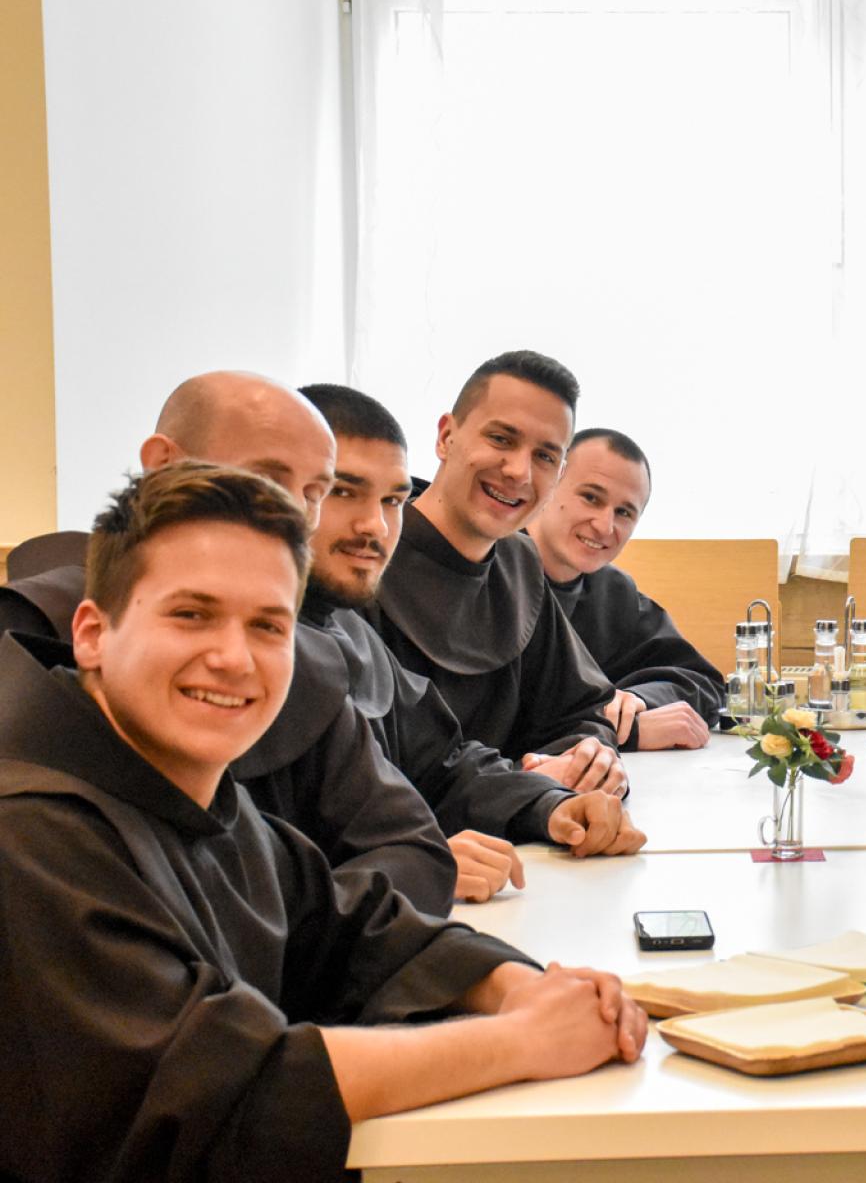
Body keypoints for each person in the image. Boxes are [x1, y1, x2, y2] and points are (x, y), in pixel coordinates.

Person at [0, 463, 645, 1181]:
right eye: (192, 615)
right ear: (92, 633)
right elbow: (220, 1093)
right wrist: (523, 1041)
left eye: (267, 626)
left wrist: (520, 985)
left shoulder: (179, 785)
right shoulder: (31, 835)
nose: (233, 659)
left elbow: (346, 927)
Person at [0, 371, 458, 913]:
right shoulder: (28, 632)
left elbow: (411, 845)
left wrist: (284, 924)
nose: (296, 518)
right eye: (267, 480)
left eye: (315, 493)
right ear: (91, 633)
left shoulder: (303, 665)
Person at [301, 385, 645, 903]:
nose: (374, 526)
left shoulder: (341, 623)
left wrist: (549, 801)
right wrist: (412, 867)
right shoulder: (286, 628)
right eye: (341, 492)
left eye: (392, 500)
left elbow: (440, 763)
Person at [369, 351, 621, 765]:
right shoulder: (367, 556)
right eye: (502, 439)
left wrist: (588, 759)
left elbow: (582, 712)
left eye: (545, 456)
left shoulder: (520, 564)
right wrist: (526, 786)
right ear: (446, 437)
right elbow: (385, 763)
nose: (520, 472)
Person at [527, 427, 723, 749]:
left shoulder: (613, 593)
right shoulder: (490, 572)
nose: (604, 526)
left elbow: (702, 682)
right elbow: (503, 723)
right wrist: (622, 730)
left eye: (624, 512)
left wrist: (636, 702)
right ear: (549, 483)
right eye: (591, 498)